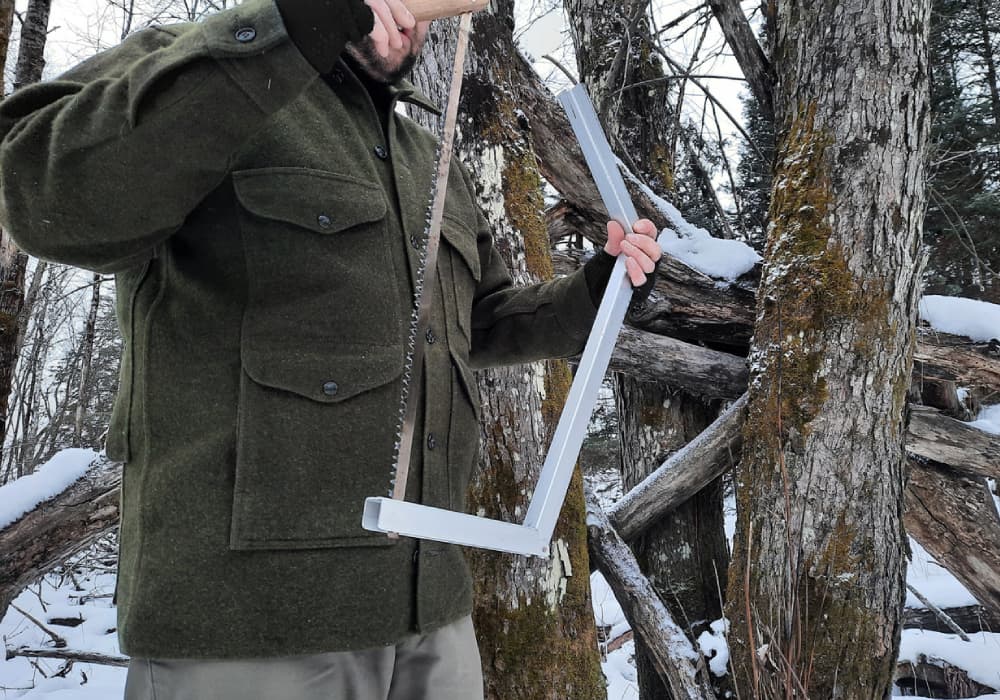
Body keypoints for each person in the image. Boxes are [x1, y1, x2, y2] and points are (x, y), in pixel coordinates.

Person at [0, 0, 662, 697]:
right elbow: (42, 188)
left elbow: (483, 321)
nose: (419, 15)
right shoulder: (201, 70)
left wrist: (597, 291)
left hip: (432, 622)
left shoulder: (423, 160)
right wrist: (304, 20)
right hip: (250, 632)